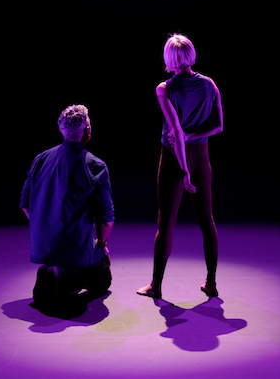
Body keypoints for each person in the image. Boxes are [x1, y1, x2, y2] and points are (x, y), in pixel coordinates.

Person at [137, 34, 224, 300]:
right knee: (206, 221)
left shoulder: (165, 88)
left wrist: (184, 170)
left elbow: (175, 129)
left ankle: (156, 286)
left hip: (176, 158)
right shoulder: (210, 84)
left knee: (166, 224)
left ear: (169, 58)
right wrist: (192, 138)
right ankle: (211, 283)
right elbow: (218, 126)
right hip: (202, 155)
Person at [20, 104, 114, 313]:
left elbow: (25, 204)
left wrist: (48, 227)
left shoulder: (40, 159)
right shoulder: (95, 165)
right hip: (75, 248)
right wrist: (101, 245)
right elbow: (107, 220)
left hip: (44, 247)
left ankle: (53, 271)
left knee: (75, 260)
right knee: (103, 280)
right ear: (87, 131)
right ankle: (64, 278)